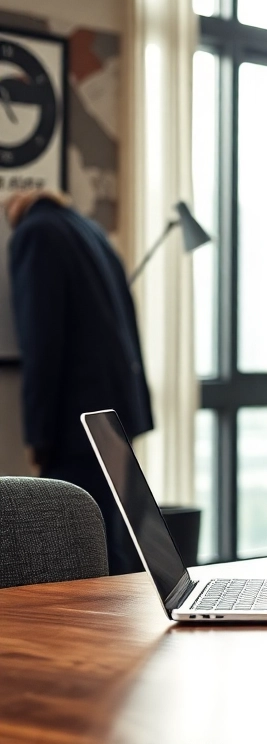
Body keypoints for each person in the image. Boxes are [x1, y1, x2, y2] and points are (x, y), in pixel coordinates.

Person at [7, 189, 153, 575]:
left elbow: (42, 341)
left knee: (83, 549)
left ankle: (108, 634)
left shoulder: (34, 233)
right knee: (114, 536)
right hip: (116, 410)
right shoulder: (90, 230)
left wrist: (39, 437)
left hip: (76, 420)